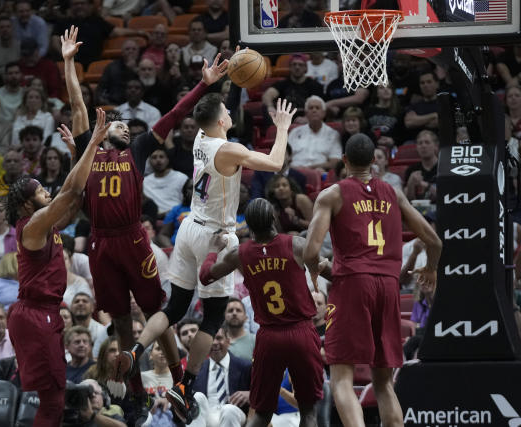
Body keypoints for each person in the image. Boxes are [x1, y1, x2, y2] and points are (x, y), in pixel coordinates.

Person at [62, 25, 226, 414]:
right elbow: (77, 106)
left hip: (133, 238)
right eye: (119, 125)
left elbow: (175, 114)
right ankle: (135, 390)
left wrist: (203, 86)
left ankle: (177, 378)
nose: (125, 128)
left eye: (126, 125)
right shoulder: (90, 152)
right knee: (120, 319)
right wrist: (69, 63)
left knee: (158, 313)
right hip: (102, 242)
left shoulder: (137, 148)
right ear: (105, 133)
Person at [115, 91, 297, 424]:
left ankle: (135, 350)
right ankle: (183, 384)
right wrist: (282, 127)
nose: (230, 112)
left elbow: (215, 109)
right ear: (220, 120)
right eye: (227, 110)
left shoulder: (200, 135)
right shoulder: (229, 150)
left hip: (188, 228)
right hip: (214, 235)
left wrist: (231, 82)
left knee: (173, 308)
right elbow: (275, 163)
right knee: (212, 319)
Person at [303, 133, 442, 427]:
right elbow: (435, 241)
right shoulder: (394, 193)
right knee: (383, 382)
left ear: (344, 161)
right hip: (388, 286)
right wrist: (430, 267)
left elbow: (311, 252)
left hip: (353, 284)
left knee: (341, 377)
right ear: (374, 162)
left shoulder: (333, 194)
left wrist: (326, 271)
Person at [5, 107, 110, 426]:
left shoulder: (45, 223)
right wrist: (89, 146)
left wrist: (76, 153)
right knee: (52, 402)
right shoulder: (32, 225)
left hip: (42, 313)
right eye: (39, 191)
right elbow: (68, 192)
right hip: (35, 314)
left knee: (54, 400)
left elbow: (74, 200)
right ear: (27, 204)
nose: (45, 191)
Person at [198, 197, 327, 426]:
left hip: (269, 337)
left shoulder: (240, 254)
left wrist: (212, 250)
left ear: (248, 225)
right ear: (273, 219)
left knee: (261, 413)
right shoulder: (296, 244)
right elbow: (332, 274)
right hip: (301, 333)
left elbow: (205, 276)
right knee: (308, 411)